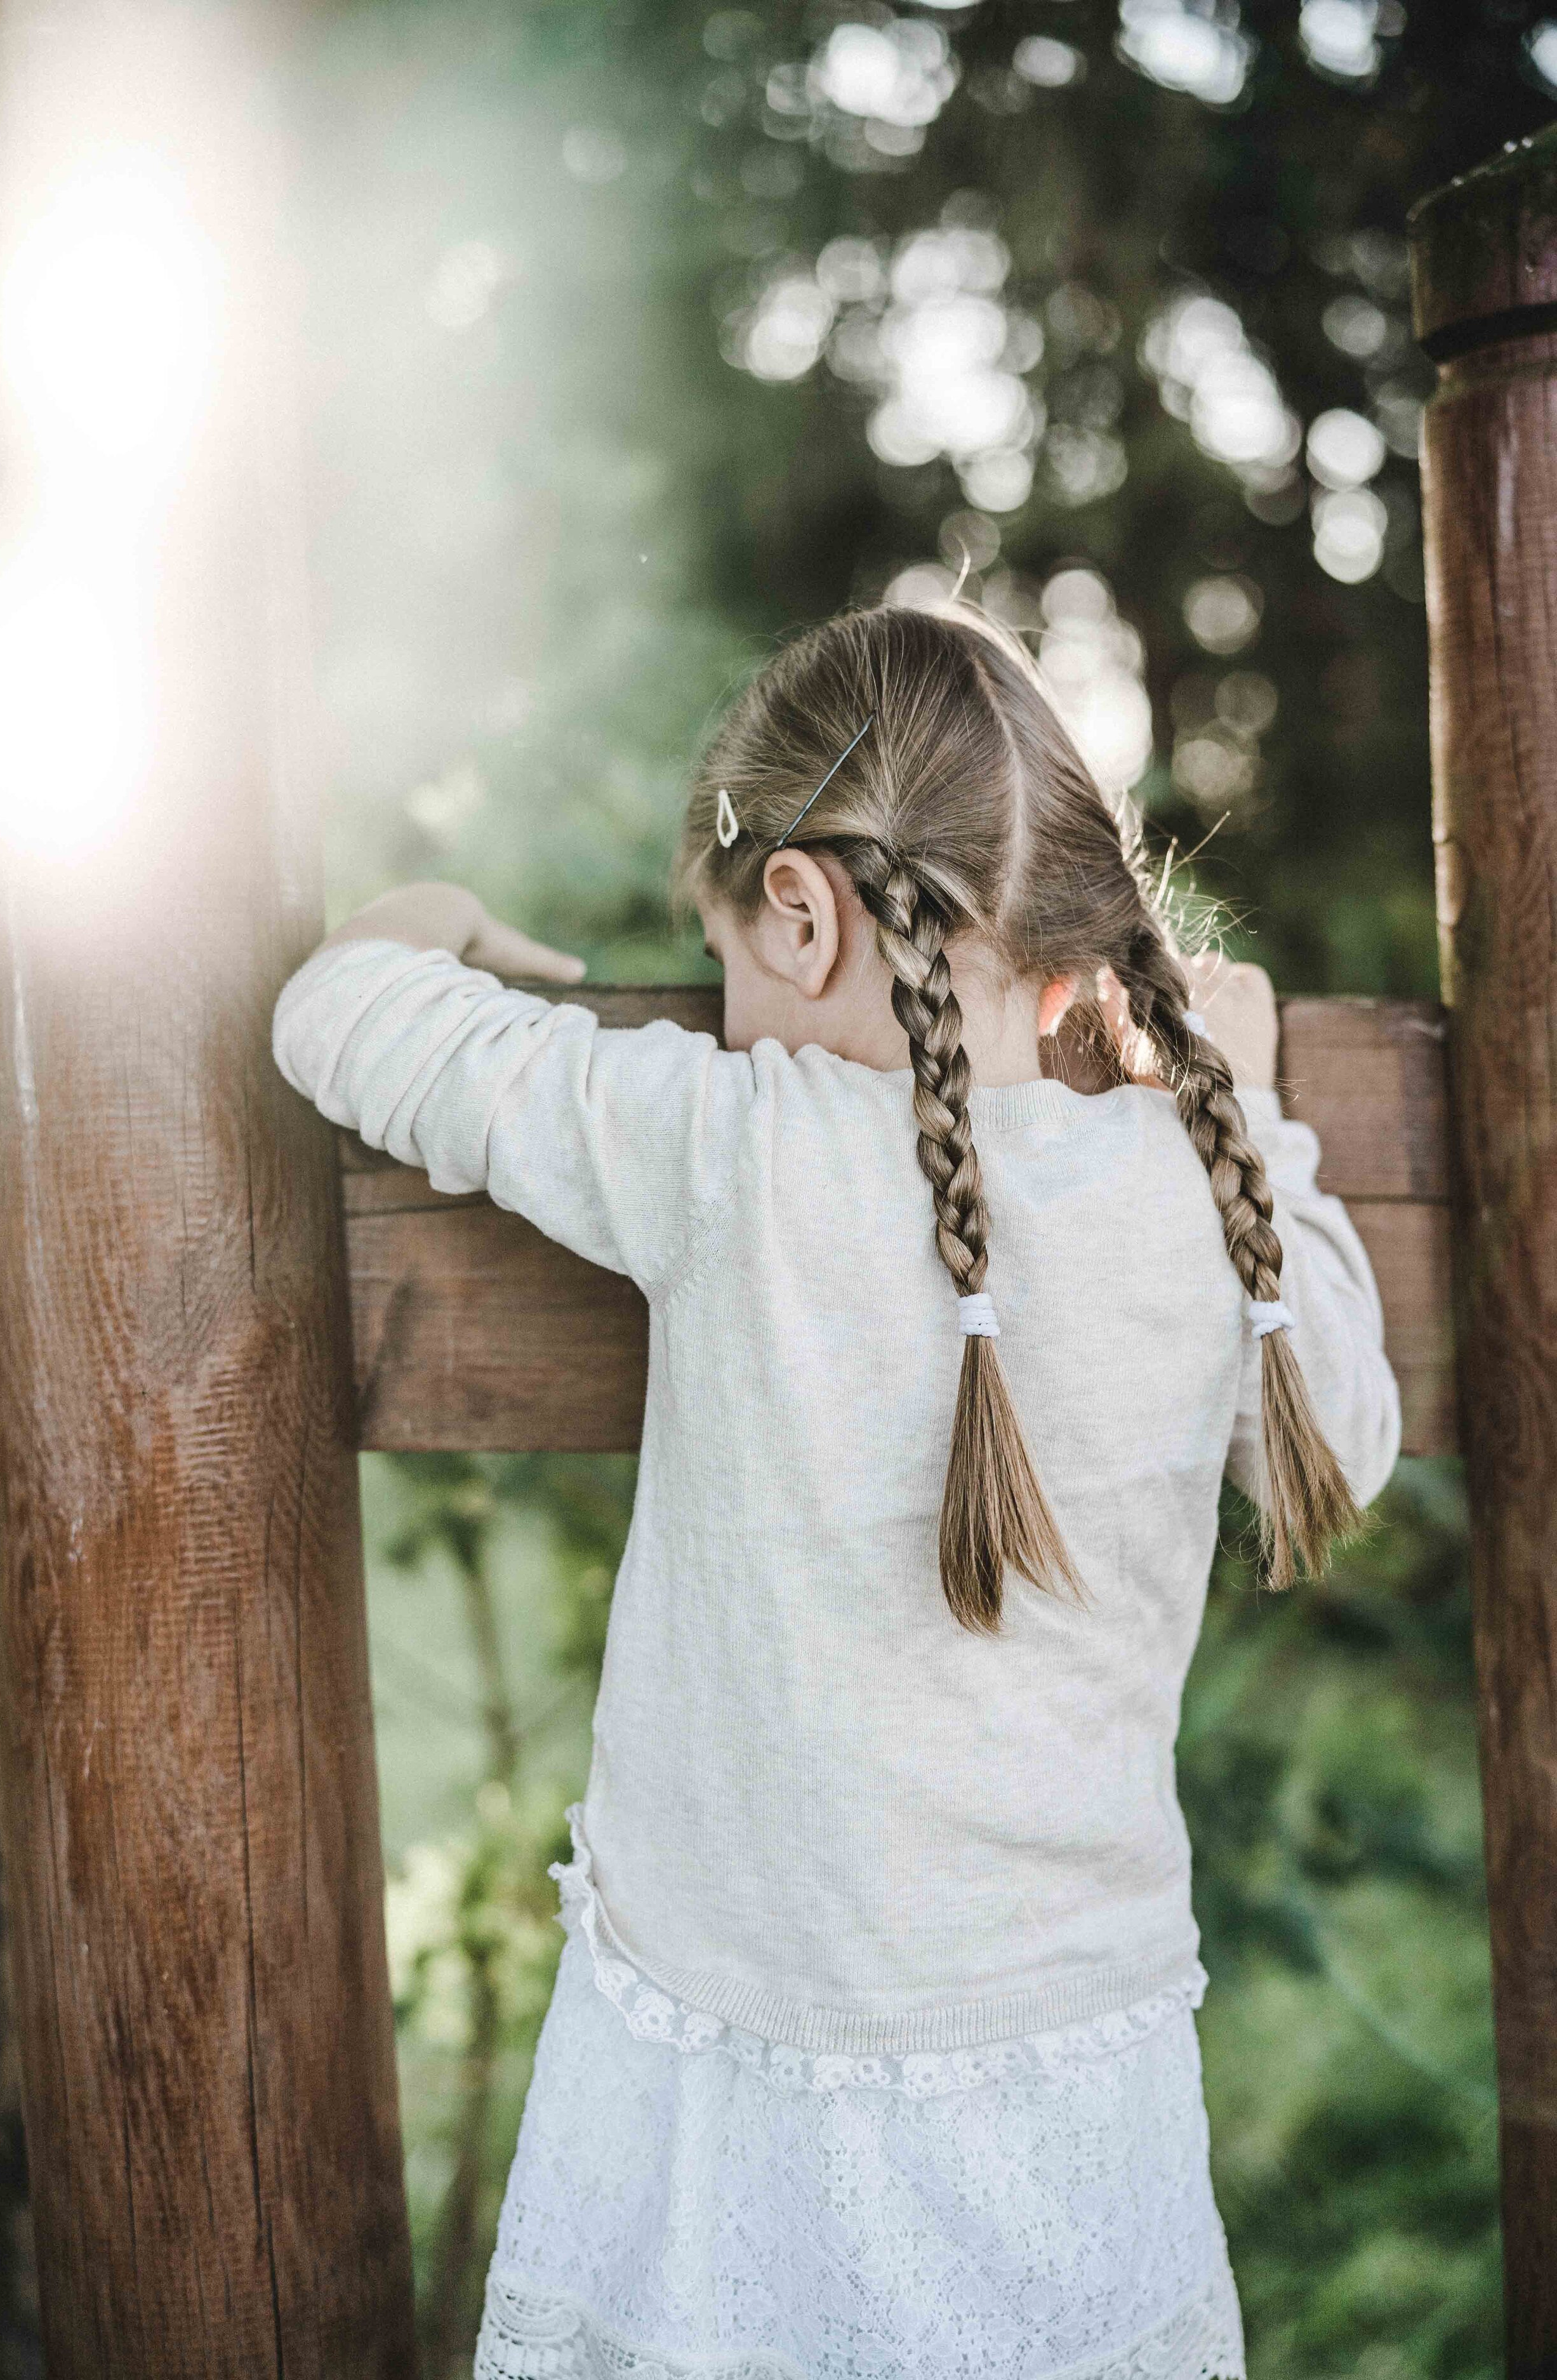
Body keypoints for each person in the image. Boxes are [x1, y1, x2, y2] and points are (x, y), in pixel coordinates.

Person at [272, 601, 1400, 2380]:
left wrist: (430, 921)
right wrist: (1247, 1107)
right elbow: (1343, 1417)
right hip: (1070, 2084)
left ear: (795, 913)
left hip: (721, 2072)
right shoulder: (1194, 1199)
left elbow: (344, 1018)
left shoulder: (724, 1151)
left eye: (722, 956)